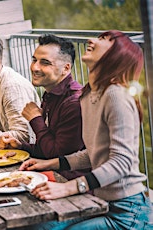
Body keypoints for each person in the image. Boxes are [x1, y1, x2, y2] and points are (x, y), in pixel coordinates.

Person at [20, 30, 152, 229]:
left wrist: (68, 188)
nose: (91, 40)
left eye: (104, 40)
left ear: (117, 56)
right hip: (103, 202)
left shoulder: (115, 95)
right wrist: (50, 163)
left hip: (127, 211)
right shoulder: (88, 95)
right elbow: (94, 154)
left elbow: (122, 162)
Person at [0, 34, 88, 180]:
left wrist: (35, 119)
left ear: (66, 68)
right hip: (51, 175)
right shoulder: (50, 94)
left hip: (72, 184)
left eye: (45, 63)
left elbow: (57, 156)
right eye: (34, 60)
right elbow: (46, 148)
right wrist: (21, 146)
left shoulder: (74, 103)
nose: (35, 67)